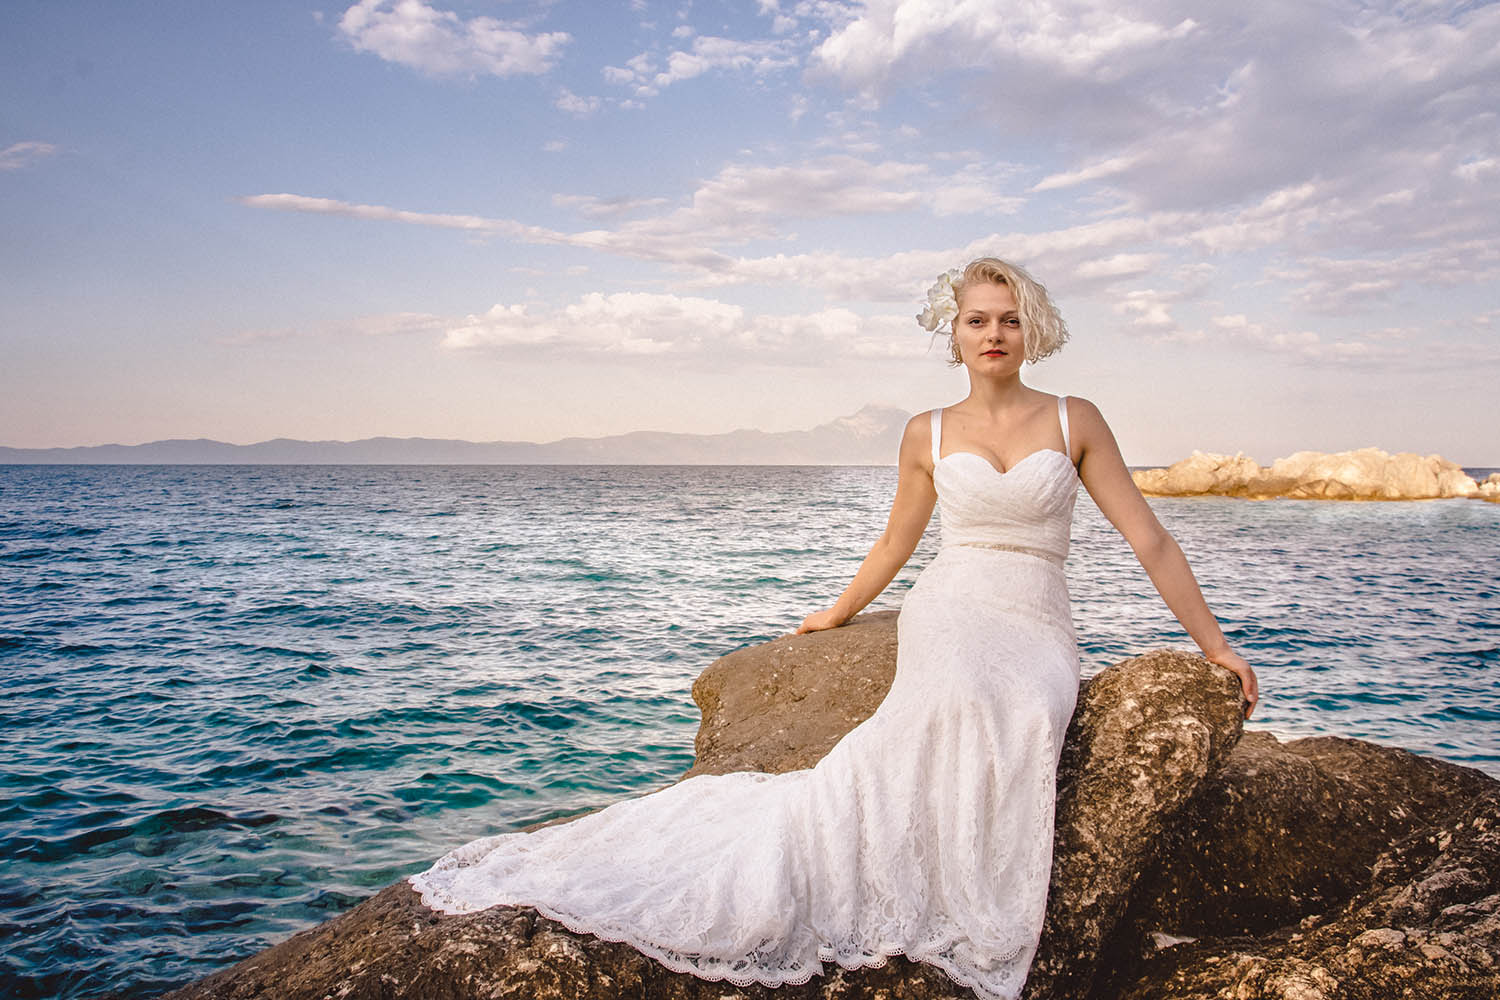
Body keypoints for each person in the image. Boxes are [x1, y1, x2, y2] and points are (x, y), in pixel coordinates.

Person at [408, 257, 1258, 1000]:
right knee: (950, 695)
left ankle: (969, 892)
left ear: (1032, 331)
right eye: (976, 320)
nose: (992, 333)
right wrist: (839, 612)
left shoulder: (1076, 419)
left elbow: (1149, 535)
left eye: (1009, 320)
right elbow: (898, 539)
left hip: (1035, 612)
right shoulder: (926, 431)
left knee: (1031, 709)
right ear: (952, 333)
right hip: (953, 600)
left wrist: (1215, 646)